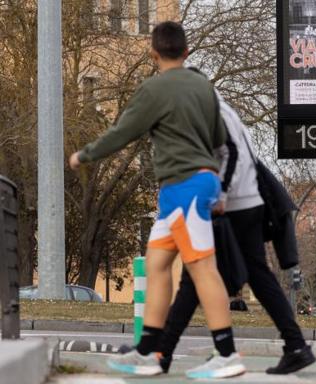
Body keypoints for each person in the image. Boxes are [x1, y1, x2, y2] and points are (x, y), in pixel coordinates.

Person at [69, 21, 246, 379]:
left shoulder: (153, 89)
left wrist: (84, 155)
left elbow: (122, 132)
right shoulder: (203, 87)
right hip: (189, 187)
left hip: (185, 187)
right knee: (157, 264)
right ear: (186, 52)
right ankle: (149, 349)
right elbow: (218, 140)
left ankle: (227, 353)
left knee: (202, 268)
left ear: (153, 54)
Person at [154, 85, 316, 375]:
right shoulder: (224, 110)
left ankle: (163, 353)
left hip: (233, 206)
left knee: (194, 277)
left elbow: (231, 154)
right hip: (248, 202)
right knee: (254, 275)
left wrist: (221, 194)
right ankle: (295, 345)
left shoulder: (210, 112)